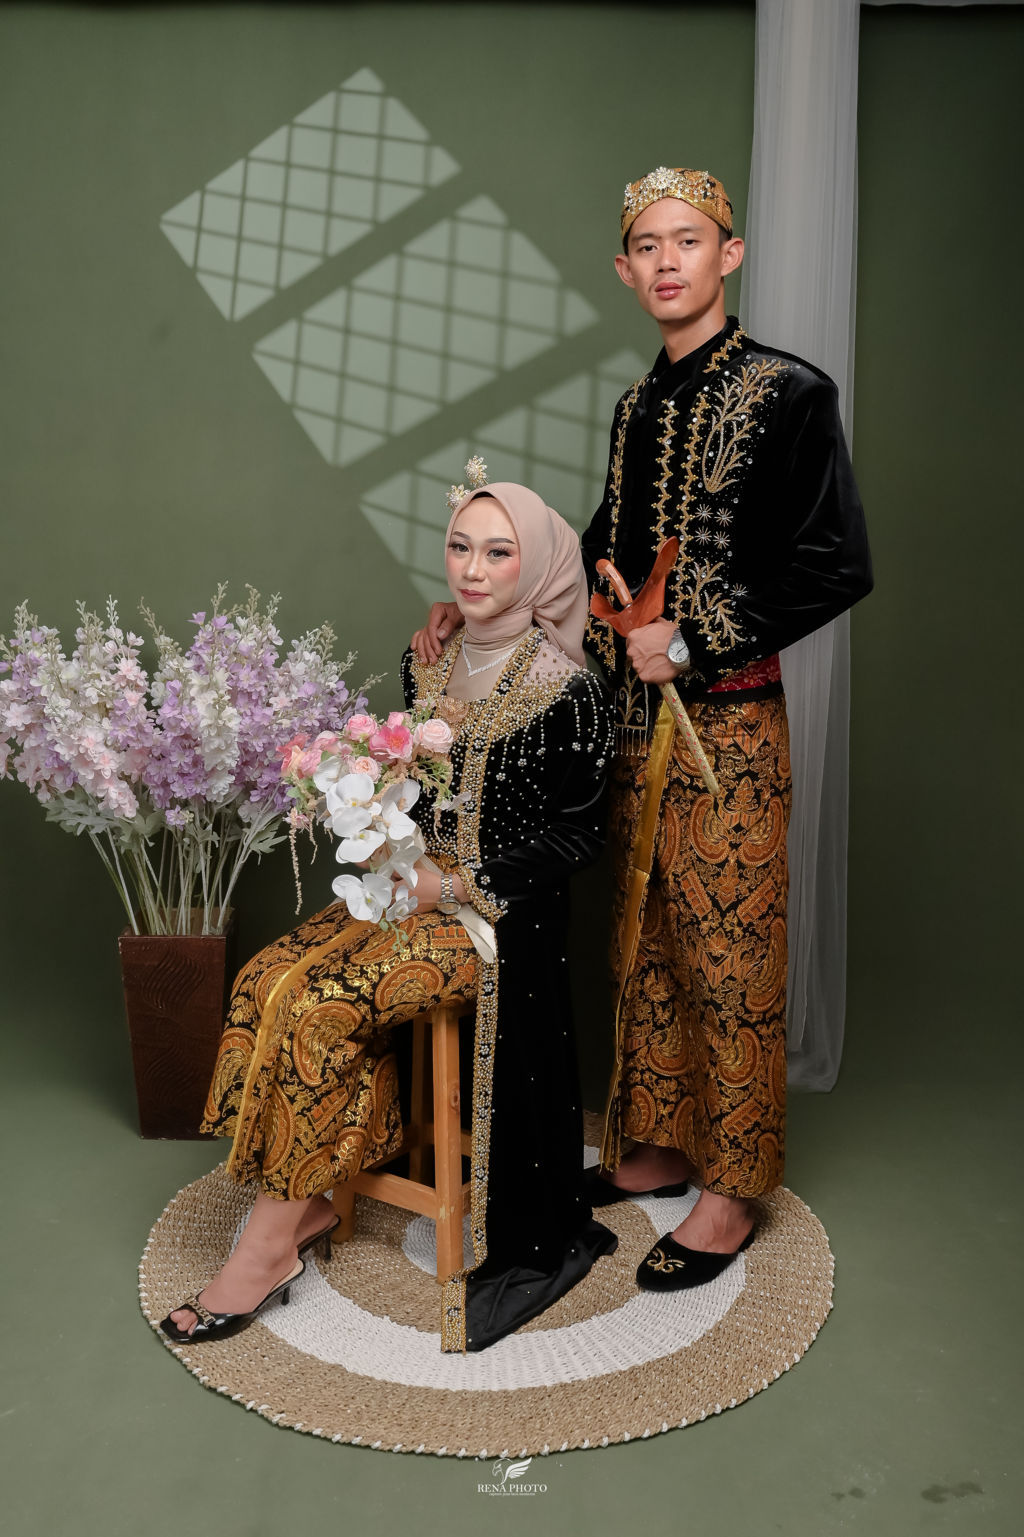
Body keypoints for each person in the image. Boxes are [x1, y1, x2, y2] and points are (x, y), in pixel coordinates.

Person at [413, 167, 872, 1294]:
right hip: (628, 719)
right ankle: (662, 1142)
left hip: (728, 727)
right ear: (625, 271)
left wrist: (697, 639)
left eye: (689, 240)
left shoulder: (789, 391)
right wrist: (490, 599)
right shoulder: (637, 407)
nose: (669, 261)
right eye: (648, 247)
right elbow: (600, 546)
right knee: (650, 936)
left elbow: (835, 563)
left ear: (730, 254)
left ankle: (734, 1185)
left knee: (728, 948)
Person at [160, 480, 617, 1354]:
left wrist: (459, 884)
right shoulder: (429, 660)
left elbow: (578, 836)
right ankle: (302, 1202)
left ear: (537, 566)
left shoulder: (571, 691)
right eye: (460, 547)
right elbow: (411, 787)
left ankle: (265, 1249)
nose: (472, 569)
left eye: (498, 552)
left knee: (320, 1001)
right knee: (263, 979)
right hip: (401, 891)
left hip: (494, 923)